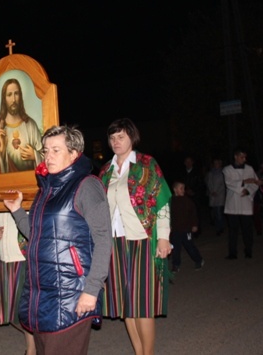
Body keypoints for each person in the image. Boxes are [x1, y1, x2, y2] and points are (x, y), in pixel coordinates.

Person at [3, 125, 112, 355]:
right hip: (43, 297)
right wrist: (17, 211)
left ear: (74, 154)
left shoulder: (87, 185)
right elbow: (36, 235)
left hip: (72, 295)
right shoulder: (47, 190)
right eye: (45, 151)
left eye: (55, 150)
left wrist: (91, 291)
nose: (48, 156)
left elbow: (103, 240)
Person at [97, 118, 172, 355]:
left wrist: (164, 237)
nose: (116, 141)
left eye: (121, 136)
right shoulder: (105, 171)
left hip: (142, 239)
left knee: (142, 304)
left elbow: (161, 203)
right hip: (114, 242)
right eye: (112, 137)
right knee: (125, 305)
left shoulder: (146, 164)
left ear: (132, 137)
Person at [0, 212, 35, 355]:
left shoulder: (28, 200)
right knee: (10, 312)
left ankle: (32, 349)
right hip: (6, 263)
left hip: (24, 261)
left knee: (24, 311)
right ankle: (39, 342)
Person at [0, 78, 44, 174]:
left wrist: (35, 156)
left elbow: (46, 157)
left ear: (20, 96)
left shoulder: (30, 125)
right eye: (9, 95)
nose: (13, 99)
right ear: (4, 99)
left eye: (16, 93)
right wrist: (2, 149)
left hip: (30, 182)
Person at [222, 147, 260, 260]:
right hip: (232, 204)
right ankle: (232, 253)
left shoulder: (249, 169)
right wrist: (243, 183)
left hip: (245, 202)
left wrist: (248, 191)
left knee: (247, 229)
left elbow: (255, 182)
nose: (244, 159)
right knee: (233, 230)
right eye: (242, 157)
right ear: (236, 156)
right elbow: (229, 183)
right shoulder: (227, 169)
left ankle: (248, 251)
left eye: (245, 157)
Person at [169, 180, 204, 272]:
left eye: (184, 188)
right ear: (175, 189)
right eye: (181, 188)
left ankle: (198, 260)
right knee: (175, 248)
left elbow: (193, 213)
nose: (183, 190)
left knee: (190, 246)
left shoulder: (187, 201)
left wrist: (195, 225)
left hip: (186, 229)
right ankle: (176, 265)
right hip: (176, 229)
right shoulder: (171, 201)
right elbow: (169, 215)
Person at [181, 155, 206, 236]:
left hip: (196, 197)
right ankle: (187, 231)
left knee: (196, 213)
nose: (188, 163)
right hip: (185, 196)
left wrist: (194, 191)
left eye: (189, 161)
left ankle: (197, 231)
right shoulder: (181, 172)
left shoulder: (197, 172)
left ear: (192, 162)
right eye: (186, 162)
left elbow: (201, 184)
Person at [205, 156, 226, 236]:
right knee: (214, 212)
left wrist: (217, 191)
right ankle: (218, 226)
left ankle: (220, 228)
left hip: (220, 195)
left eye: (218, 163)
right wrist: (211, 191)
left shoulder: (223, 173)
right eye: (215, 163)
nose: (216, 165)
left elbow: (223, 185)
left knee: (219, 212)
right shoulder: (210, 173)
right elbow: (208, 183)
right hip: (212, 195)